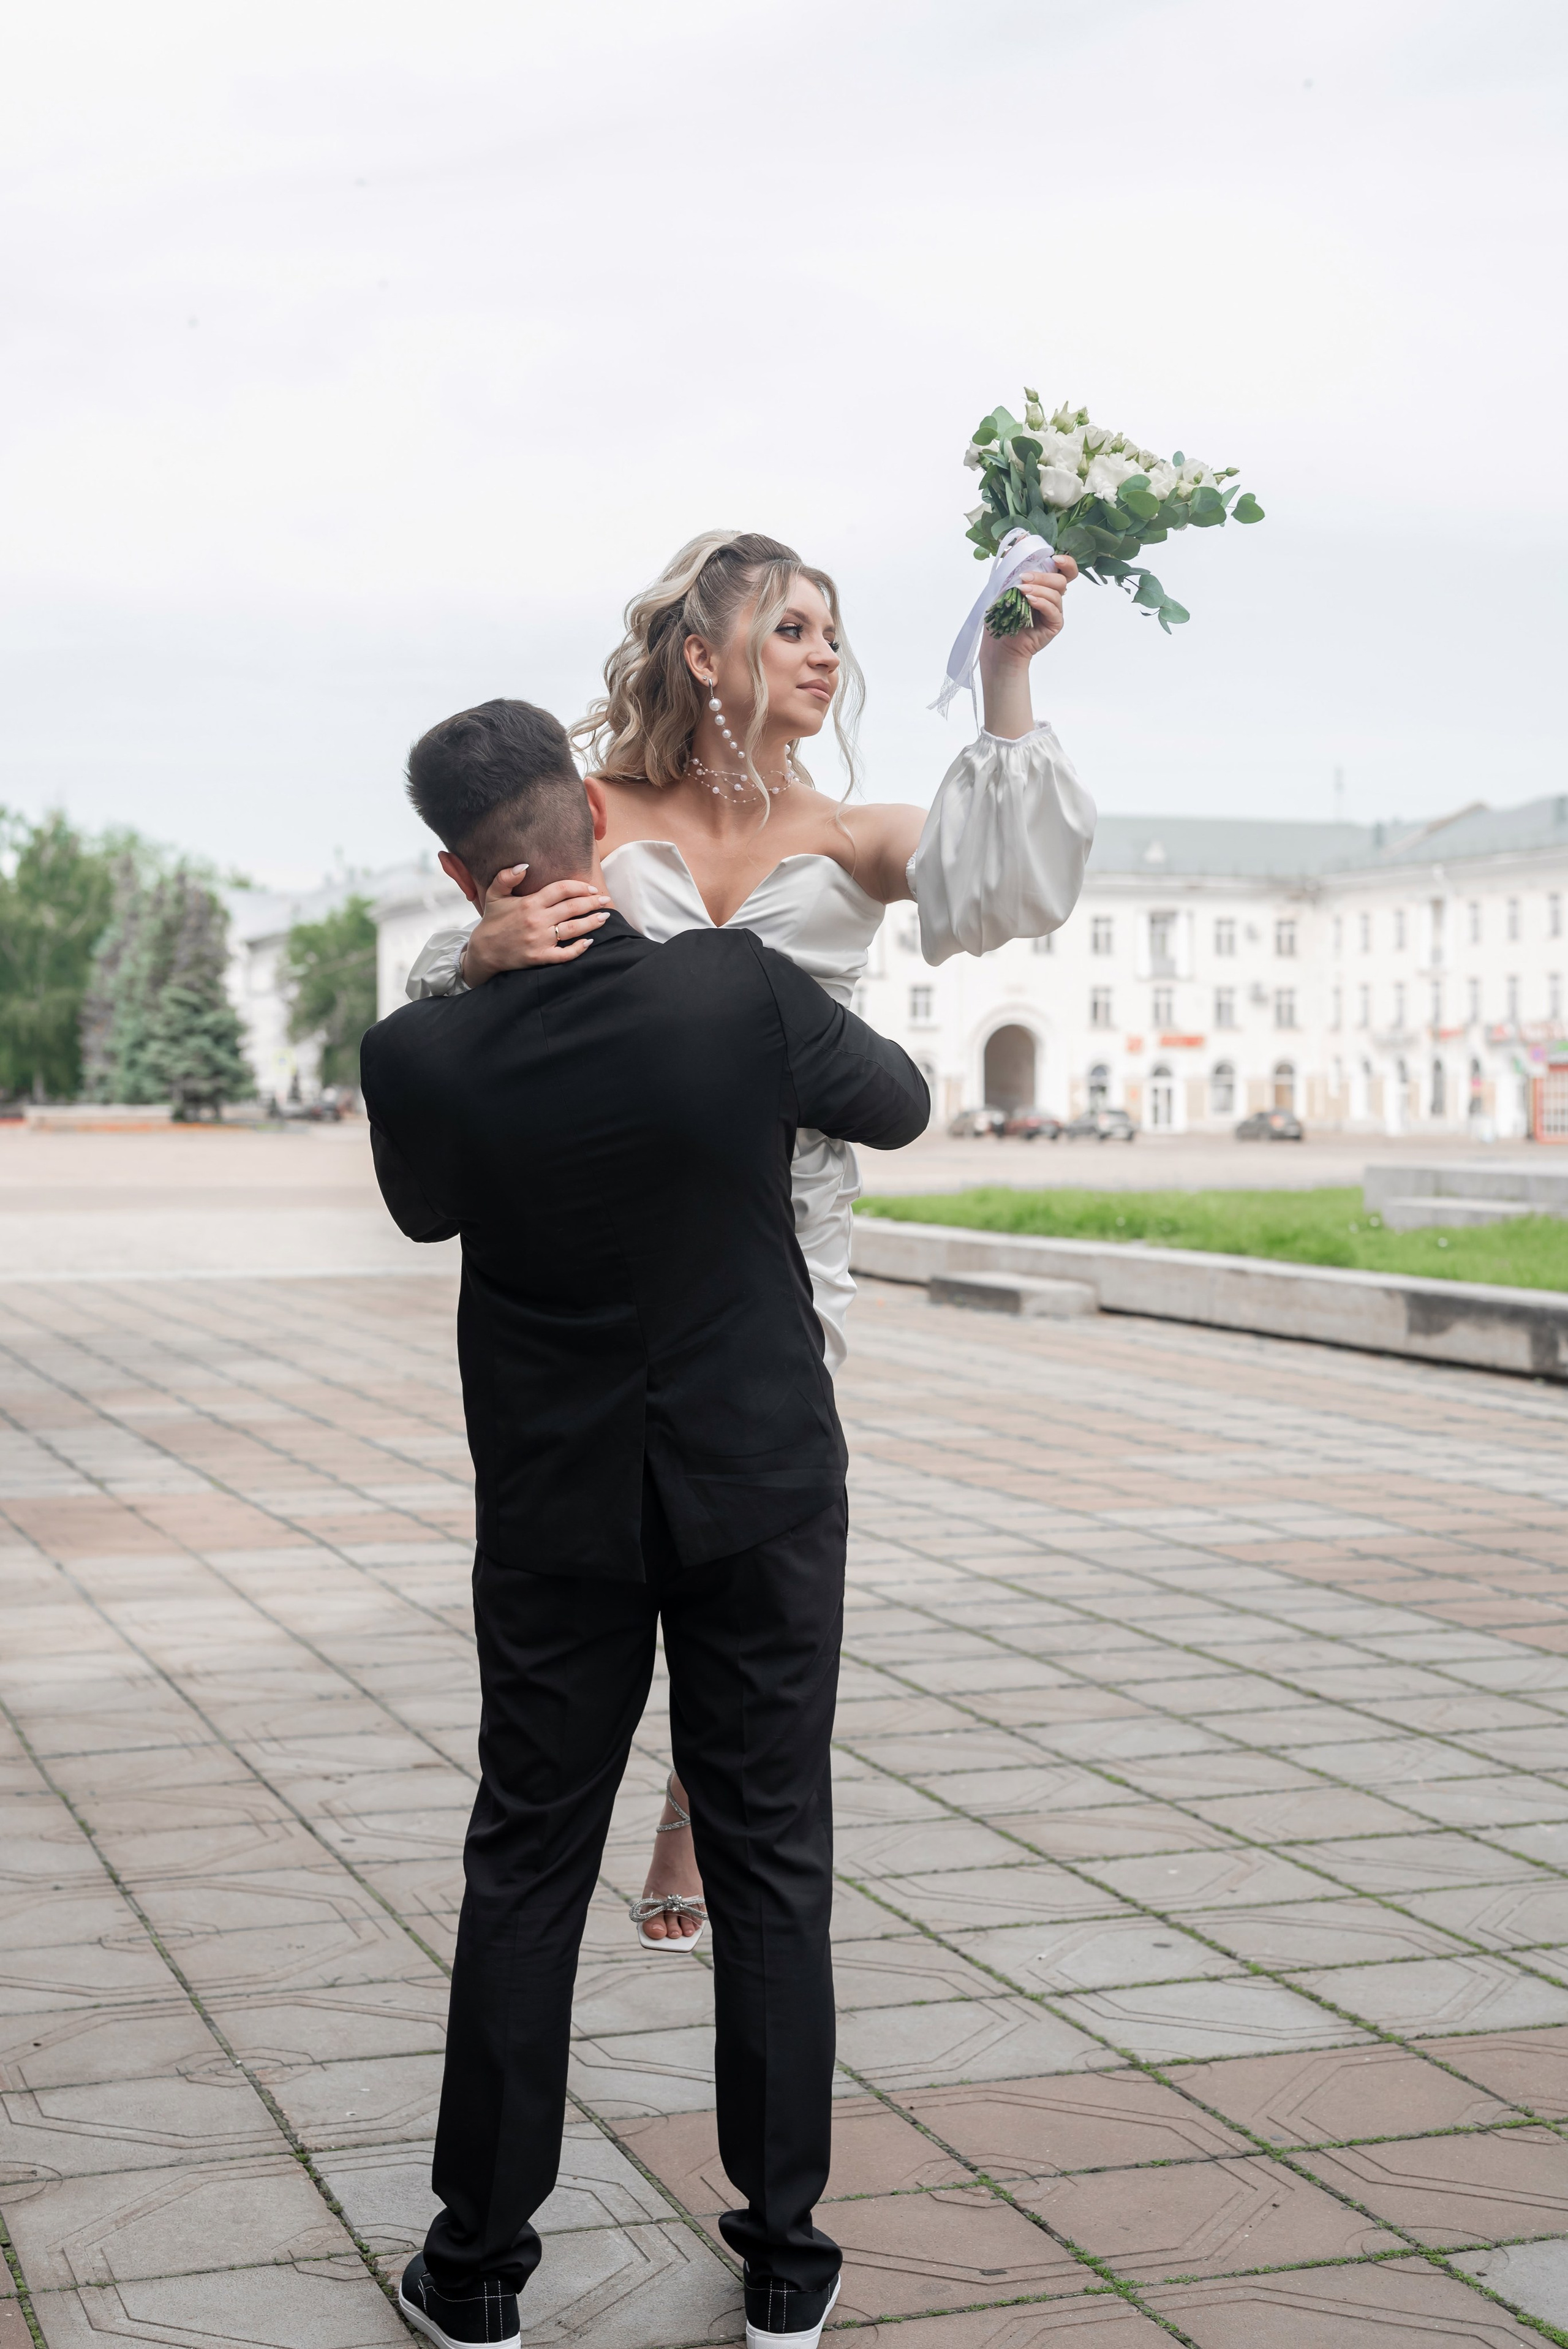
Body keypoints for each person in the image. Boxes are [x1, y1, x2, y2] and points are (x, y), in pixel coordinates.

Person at [402, 530, 1096, 1948]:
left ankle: (700, 1792)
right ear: (702, 657)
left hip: (782, 1239)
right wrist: (477, 953)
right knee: (618, 1531)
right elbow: (453, 1019)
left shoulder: (855, 836)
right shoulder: (583, 811)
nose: (824, 653)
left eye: (832, 631)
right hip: (602, 1241)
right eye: (790, 628)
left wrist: (1007, 675)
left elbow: (1005, 884)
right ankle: (631, 1794)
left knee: (749, 1538)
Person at [360, 697, 930, 2349]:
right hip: (759, 1483)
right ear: (602, 835)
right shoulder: (734, 991)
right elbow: (888, 1103)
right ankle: (786, 2268)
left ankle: (475, 2275)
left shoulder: (426, 1049)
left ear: (465, 873)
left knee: (528, 1860)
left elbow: (421, 1203)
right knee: (772, 1861)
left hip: (558, 1511)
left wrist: (473, 981)